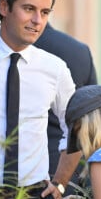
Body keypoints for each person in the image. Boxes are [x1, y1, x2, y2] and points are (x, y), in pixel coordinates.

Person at [0, 0, 80, 199]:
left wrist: (60, 184)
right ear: (4, 7)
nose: (37, 21)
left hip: (34, 198)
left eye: (45, 12)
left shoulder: (54, 68)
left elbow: (77, 129)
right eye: (29, 9)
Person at [34, 22, 97, 188]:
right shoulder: (80, 51)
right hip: (71, 170)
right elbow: (91, 115)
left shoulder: (17, 47)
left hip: (23, 171)